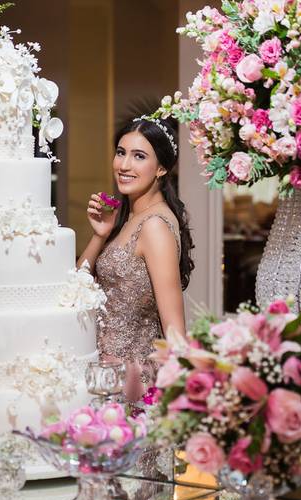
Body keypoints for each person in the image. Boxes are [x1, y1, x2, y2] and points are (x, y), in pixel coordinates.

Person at [78, 108, 194, 402]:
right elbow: (77, 288)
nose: (124, 165)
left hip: (132, 382)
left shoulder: (155, 226)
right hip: (102, 374)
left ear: (161, 168)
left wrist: (181, 401)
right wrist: (100, 235)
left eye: (139, 156)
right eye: (121, 153)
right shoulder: (129, 218)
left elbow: (174, 329)